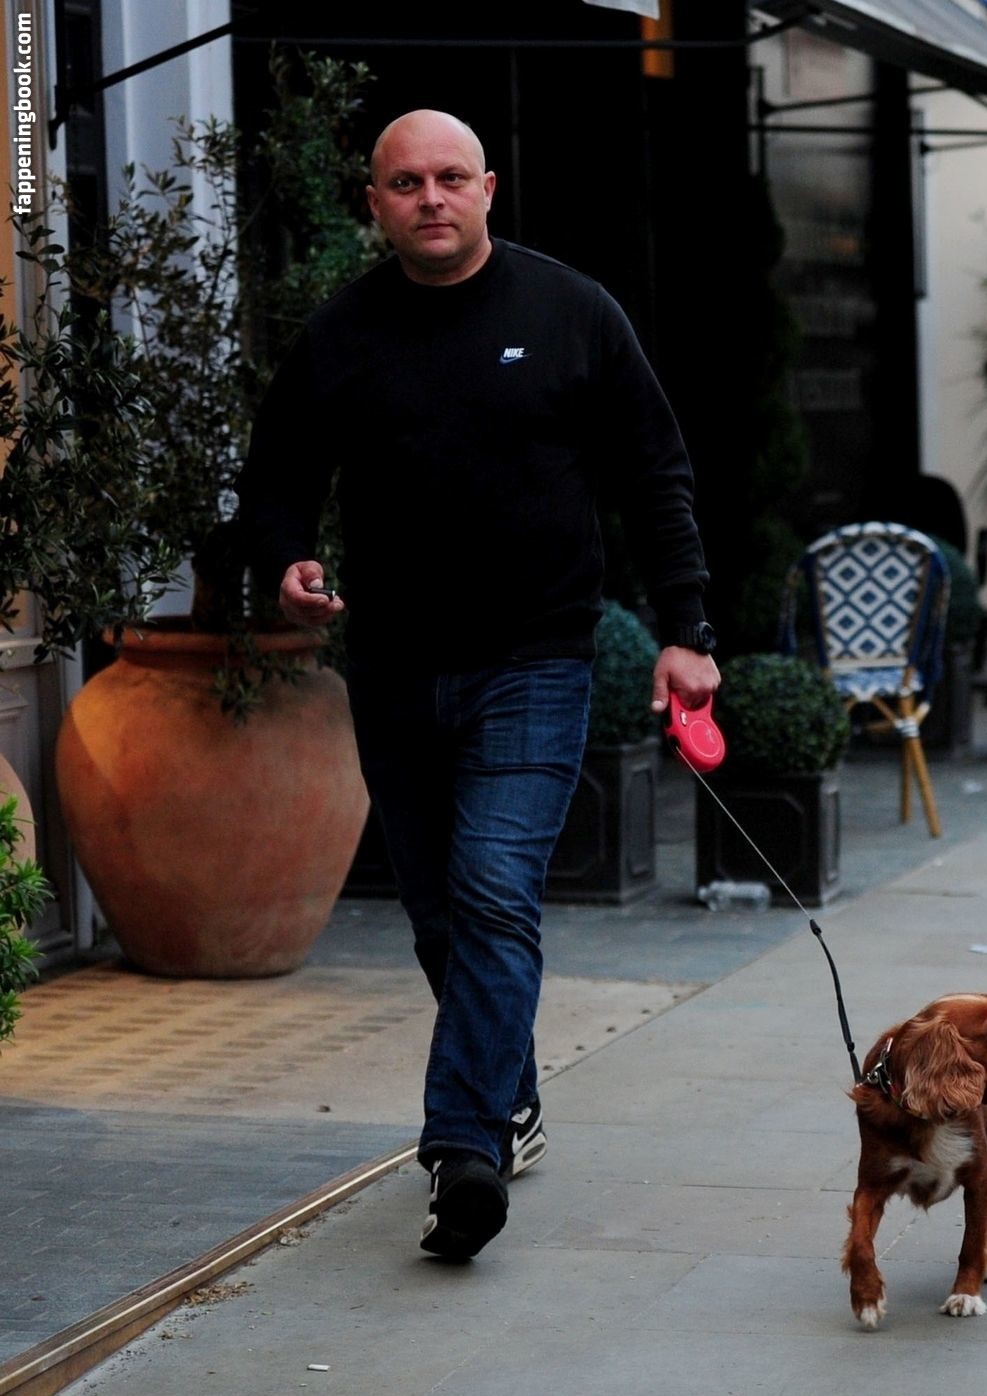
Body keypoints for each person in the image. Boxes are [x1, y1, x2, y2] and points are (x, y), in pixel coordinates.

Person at [237, 111, 720, 1261]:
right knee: (443, 917)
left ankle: (465, 1150)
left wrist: (686, 630)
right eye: (406, 183)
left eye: (450, 177)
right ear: (375, 203)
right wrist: (286, 560)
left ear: (489, 188)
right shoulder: (344, 333)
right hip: (393, 669)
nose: (431, 198)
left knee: (496, 891)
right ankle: (513, 1090)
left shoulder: (571, 313)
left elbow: (655, 474)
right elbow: (278, 474)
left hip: (536, 660)